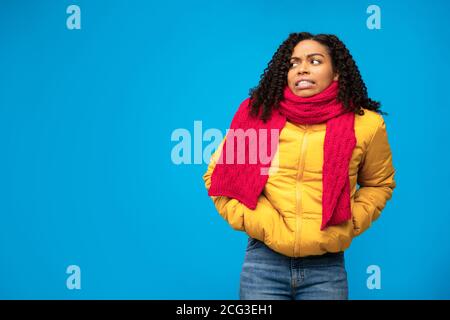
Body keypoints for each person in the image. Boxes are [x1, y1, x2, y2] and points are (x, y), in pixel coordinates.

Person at [202, 32, 396, 300]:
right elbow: (219, 178)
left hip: (327, 267)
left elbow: (379, 184)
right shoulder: (259, 115)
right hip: (264, 263)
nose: (302, 68)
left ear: (337, 72)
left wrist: (349, 222)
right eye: (293, 63)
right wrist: (262, 224)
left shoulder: (366, 125)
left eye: (315, 61)